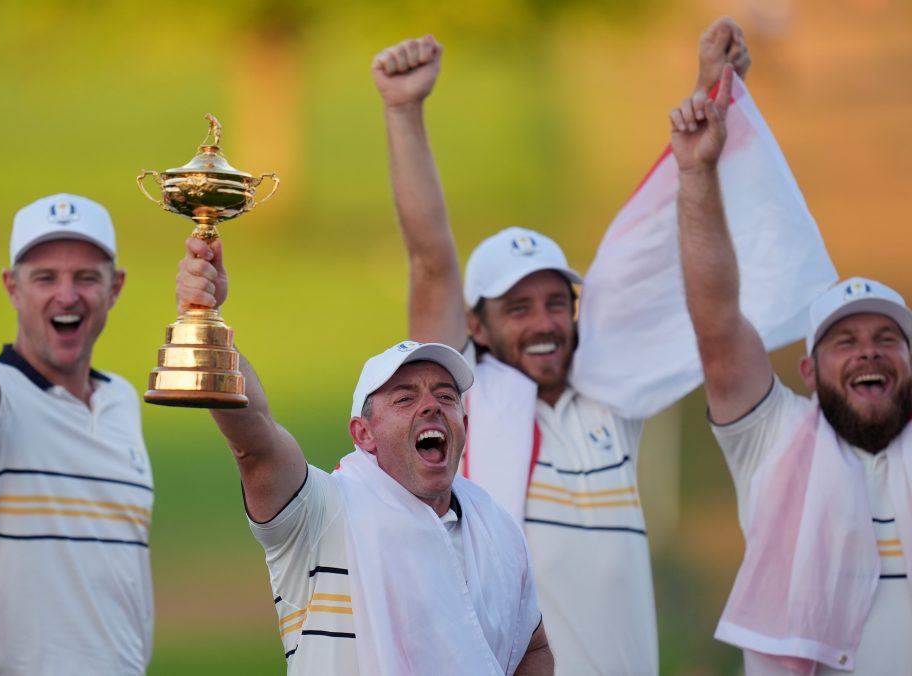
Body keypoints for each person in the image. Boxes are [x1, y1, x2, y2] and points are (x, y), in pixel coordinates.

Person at [371, 19, 752, 675]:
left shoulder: (613, 398)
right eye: (518, 308)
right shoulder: (465, 402)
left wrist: (706, 93)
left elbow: (668, 244)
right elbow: (431, 261)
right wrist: (404, 111)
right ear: (478, 327)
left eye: (556, 302)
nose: (544, 321)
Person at [175, 235, 551, 675]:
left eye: (445, 396)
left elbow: (535, 647)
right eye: (405, 399)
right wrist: (205, 323)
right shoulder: (323, 513)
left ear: (464, 424)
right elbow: (255, 441)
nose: (431, 405)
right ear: (363, 434)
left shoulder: (497, 529)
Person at [675, 64, 912, 674]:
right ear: (808, 370)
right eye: (845, 340)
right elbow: (718, 324)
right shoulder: (771, 439)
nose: (868, 350)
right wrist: (698, 175)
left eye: (888, 337)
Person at [0, 193, 152, 674]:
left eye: (86, 278)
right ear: (11, 287)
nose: (67, 295)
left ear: (115, 288)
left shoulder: (123, 402)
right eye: (45, 278)